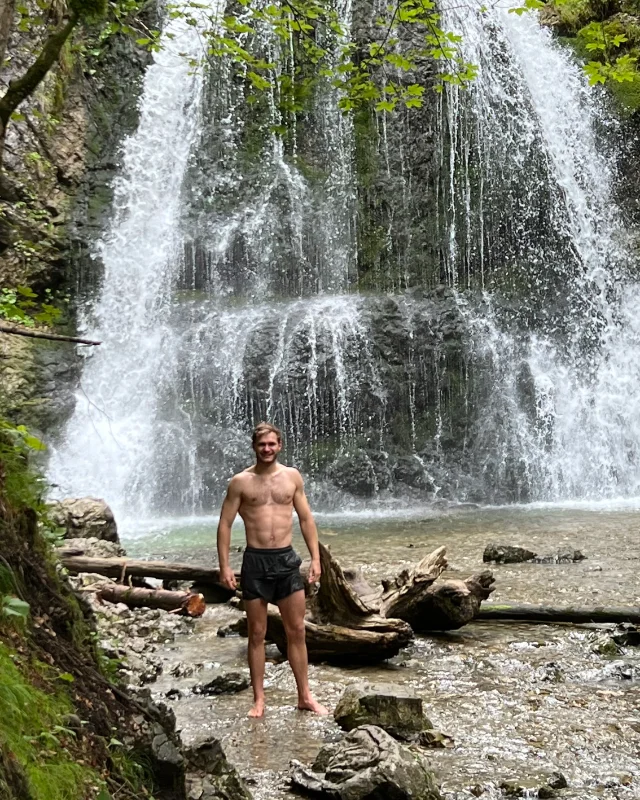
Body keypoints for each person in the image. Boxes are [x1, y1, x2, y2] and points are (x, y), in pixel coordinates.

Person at [216, 422, 329, 718]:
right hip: (255, 562)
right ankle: (259, 700)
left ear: (280, 445)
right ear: (254, 447)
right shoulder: (240, 482)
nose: (267, 449)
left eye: (272, 444)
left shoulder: (292, 477)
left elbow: (306, 519)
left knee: (297, 631)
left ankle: (305, 696)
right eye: (261, 444)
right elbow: (225, 524)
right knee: (257, 633)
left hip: (286, 561)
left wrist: (316, 559)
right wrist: (224, 565)